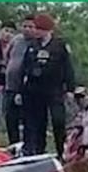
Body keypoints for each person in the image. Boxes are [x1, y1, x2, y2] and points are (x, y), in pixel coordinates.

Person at [20, 13, 76, 159]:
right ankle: (39, 151)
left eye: (39, 29)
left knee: (58, 120)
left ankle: (61, 151)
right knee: (39, 122)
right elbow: (24, 67)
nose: (36, 32)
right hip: (35, 89)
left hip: (54, 89)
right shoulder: (32, 45)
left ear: (48, 30)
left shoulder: (59, 46)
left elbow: (68, 67)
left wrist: (70, 88)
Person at [4, 16, 35, 145]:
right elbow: (6, 55)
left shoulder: (36, 43)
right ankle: (13, 144)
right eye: (25, 26)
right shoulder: (16, 40)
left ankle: (28, 145)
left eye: (30, 27)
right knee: (10, 117)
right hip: (10, 85)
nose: (27, 29)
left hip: (26, 88)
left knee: (27, 119)